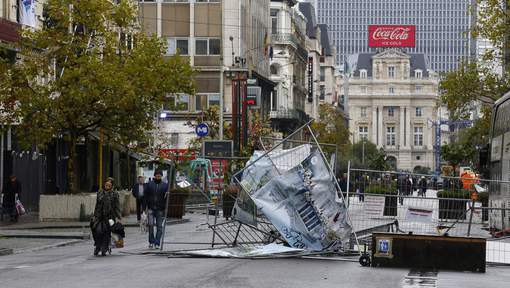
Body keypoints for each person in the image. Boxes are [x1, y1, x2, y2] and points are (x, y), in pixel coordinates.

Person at [91, 178, 121, 256]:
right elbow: (97, 205)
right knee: (96, 230)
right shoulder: (100, 192)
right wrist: (95, 215)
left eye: (109, 185)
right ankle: (98, 245)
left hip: (110, 217)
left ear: (112, 186)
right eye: (106, 184)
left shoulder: (114, 194)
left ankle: (104, 247)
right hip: (99, 216)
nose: (107, 186)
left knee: (107, 232)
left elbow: (117, 206)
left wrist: (119, 217)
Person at [145, 170, 169, 249]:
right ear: (154, 176)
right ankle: (151, 241)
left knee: (159, 227)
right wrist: (145, 207)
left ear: (161, 176)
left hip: (160, 209)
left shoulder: (165, 185)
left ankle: (157, 242)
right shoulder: (149, 184)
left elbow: (167, 198)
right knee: (151, 226)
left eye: (160, 175)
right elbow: (146, 196)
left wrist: (165, 208)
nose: (158, 176)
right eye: (157, 175)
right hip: (151, 208)